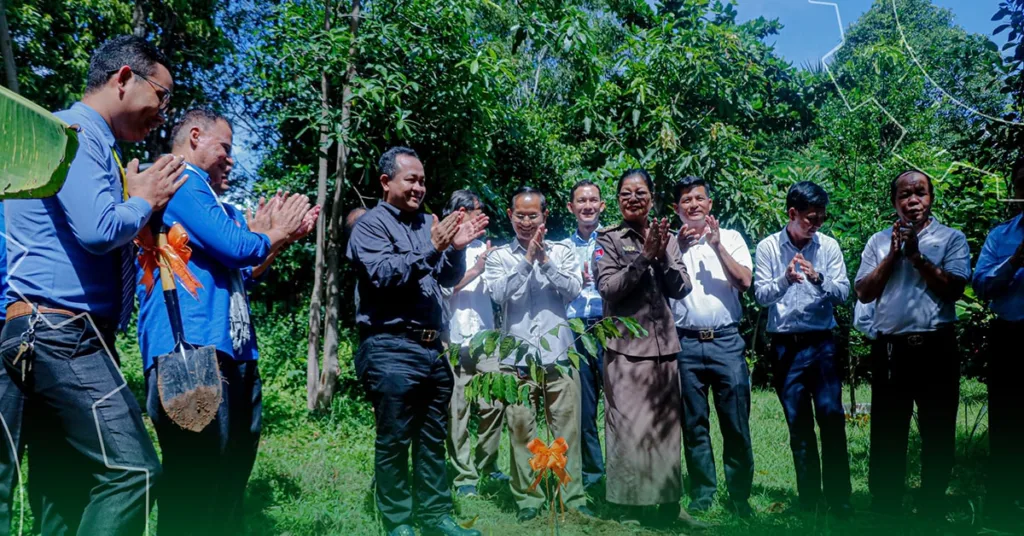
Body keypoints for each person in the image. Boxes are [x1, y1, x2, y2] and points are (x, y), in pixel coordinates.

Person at [0, 35, 184, 535]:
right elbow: (99, 229)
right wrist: (144, 198)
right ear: (124, 79)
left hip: (46, 331)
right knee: (134, 472)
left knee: (61, 496)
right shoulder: (77, 132)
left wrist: (139, 209)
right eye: (162, 96)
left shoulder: (84, 138)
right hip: (61, 331)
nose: (163, 113)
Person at [136, 108, 317, 535]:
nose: (231, 160)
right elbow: (238, 247)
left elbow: (245, 269)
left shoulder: (218, 204)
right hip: (190, 351)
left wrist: (278, 238)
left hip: (232, 352)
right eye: (226, 148)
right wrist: (272, 234)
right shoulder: (176, 182)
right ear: (195, 136)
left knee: (229, 477)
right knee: (195, 481)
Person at [347, 146, 487, 536]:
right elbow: (383, 275)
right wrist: (435, 245)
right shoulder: (370, 226)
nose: (419, 187)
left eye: (423, 181)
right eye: (411, 179)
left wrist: (455, 250)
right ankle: (398, 523)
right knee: (394, 439)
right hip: (390, 346)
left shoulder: (429, 222)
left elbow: (444, 278)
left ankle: (436, 517)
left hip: (431, 349)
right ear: (386, 181)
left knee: (431, 440)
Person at [855, 170, 970, 518]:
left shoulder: (951, 238)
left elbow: (955, 289)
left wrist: (917, 257)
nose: (912, 201)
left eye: (920, 193)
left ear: (931, 198)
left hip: (937, 346)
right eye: (905, 195)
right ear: (894, 202)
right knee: (889, 428)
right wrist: (893, 254)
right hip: (891, 348)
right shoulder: (878, 241)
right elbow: (863, 291)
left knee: (938, 426)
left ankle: (932, 501)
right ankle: (885, 504)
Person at [594, 169, 699, 528]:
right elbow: (608, 288)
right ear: (618, 199)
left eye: (640, 192)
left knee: (666, 430)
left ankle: (669, 506)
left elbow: (682, 287)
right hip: (624, 349)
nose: (633, 198)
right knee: (627, 429)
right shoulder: (608, 239)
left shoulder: (665, 237)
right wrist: (642, 258)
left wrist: (662, 254)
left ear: (652, 198)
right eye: (626, 193)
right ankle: (629, 508)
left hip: (663, 349)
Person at [482, 186, 589, 522]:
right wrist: (527, 259)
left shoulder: (563, 251)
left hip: (558, 355)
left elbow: (573, 290)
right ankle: (529, 500)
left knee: (565, 431)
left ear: (545, 216)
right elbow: (500, 295)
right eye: (520, 215)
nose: (526, 222)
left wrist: (544, 260)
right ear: (511, 216)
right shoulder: (499, 256)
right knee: (520, 431)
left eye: (533, 215)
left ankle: (571, 497)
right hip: (516, 360)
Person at [753, 180, 852, 519]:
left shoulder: (829, 247)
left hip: (821, 343)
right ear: (792, 214)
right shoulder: (768, 247)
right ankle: (810, 500)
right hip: (785, 347)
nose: (817, 224)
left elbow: (843, 292)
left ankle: (840, 500)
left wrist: (818, 278)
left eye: (822, 217)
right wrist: (785, 280)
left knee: (832, 418)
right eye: (811, 218)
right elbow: (760, 295)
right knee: (799, 425)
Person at [669, 176, 755, 518]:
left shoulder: (731, 238)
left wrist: (717, 247)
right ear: (677, 209)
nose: (693, 205)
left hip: (726, 341)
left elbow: (745, 282)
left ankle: (739, 496)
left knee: (735, 420)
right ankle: (703, 493)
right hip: (686, 342)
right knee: (694, 423)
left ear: (710, 204)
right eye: (686, 200)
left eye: (699, 199)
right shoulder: (671, 244)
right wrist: (676, 249)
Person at [442, 190, 505, 497]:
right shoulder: (442, 249)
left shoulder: (487, 249)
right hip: (452, 340)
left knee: (494, 403)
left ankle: (488, 466)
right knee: (458, 411)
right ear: (457, 214)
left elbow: (498, 292)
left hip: (486, 340)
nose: (479, 216)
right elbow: (442, 290)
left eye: (480, 210)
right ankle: (464, 475)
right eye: (472, 210)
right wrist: (475, 271)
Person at [973, 162, 1024, 529]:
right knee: (1006, 425)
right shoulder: (1002, 236)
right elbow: (982, 286)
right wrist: (1017, 260)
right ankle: (1002, 510)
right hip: (1011, 337)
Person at [559, 179, 606, 492]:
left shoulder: (615, 240)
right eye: (581, 201)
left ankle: (623, 471)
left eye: (593, 201)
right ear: (571, 207)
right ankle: (594, 475)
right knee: (585, 408)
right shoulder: (560, 247)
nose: (587, 206)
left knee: (620, 405)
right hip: (576, 328)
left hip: (611, 325)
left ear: (602, 205)